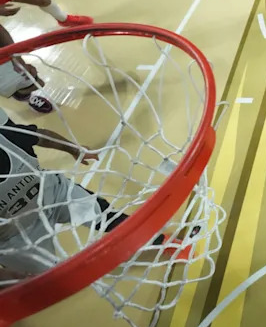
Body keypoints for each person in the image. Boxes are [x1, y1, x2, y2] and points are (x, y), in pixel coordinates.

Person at [0, 108, 188, 282]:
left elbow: (39, 136)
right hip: (14, 236)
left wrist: (74, 149)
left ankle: (162, 242)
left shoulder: (7, 137)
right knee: (46, 282)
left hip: (52, 195)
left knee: (107, 217)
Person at [0, 22, 53, 114]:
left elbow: (1, 31)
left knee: (33, 83)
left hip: (4, 58)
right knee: (9, 88)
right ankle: (26, 98)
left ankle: (27, 97)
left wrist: (17, 58)